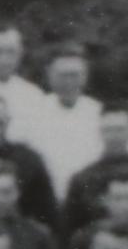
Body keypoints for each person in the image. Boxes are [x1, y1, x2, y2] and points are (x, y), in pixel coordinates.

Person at [24, 56, 104, 199]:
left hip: (89, 196)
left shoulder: (97, 112)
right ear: (50, 77)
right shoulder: (34, 111)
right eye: (62, 76)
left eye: (74, 75)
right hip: (47, 196)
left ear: (85, 77)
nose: (69, 82)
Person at [58, 118, 128, 236]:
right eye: (109, 130)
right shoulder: (83, 178)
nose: (115, 137)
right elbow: (70, 226)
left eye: (119, 129)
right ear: (100, 133)